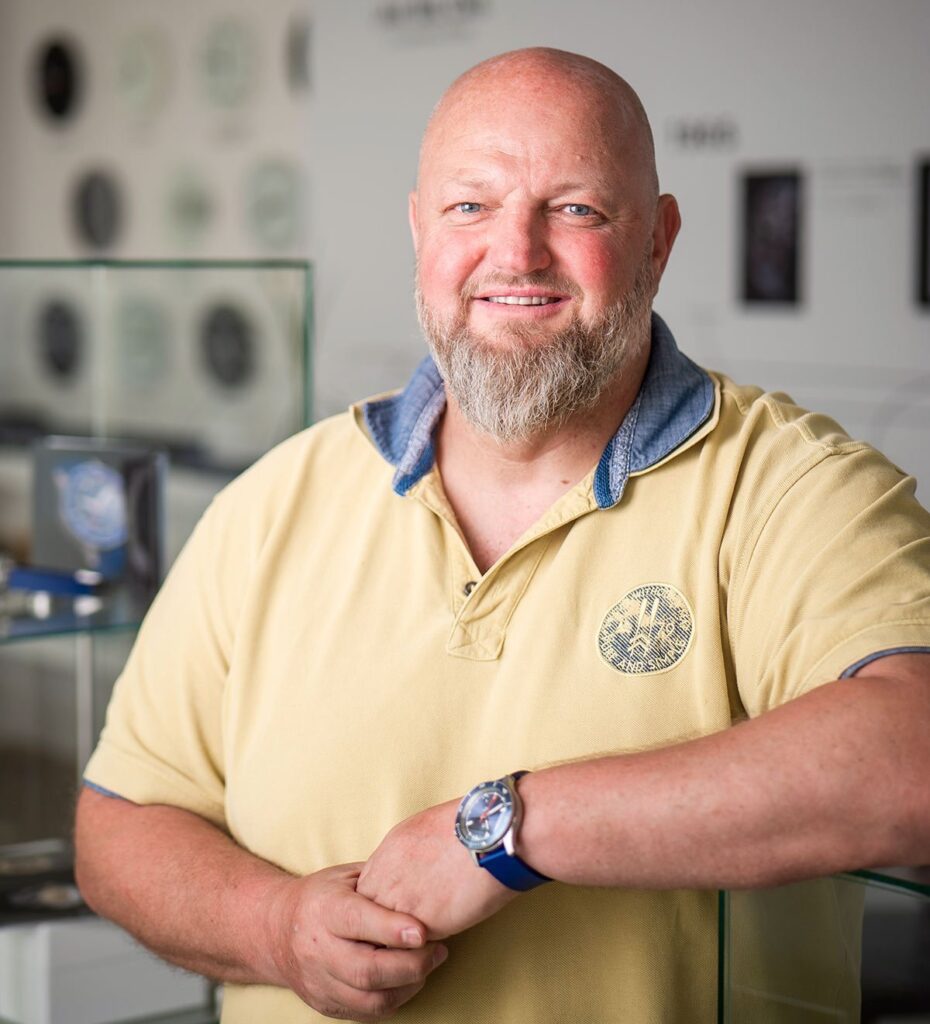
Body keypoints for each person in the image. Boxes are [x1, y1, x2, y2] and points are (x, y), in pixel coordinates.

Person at [75, 47, 930, 1024]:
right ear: (419, 230)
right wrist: (276, 929)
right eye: (469, 206)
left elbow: (912, 757)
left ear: (659, 240)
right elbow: (120, 823)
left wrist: (509, 828)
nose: (516, 253)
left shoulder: (790, 489)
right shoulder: (275, 501)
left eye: (576, 209)